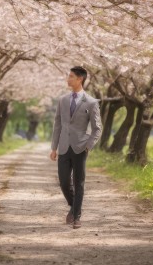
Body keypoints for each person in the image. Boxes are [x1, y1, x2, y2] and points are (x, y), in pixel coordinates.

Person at [50, 66, 102, 229]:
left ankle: (76, 216)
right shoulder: (63, 100)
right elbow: (57, 124)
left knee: (79, 182)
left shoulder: (92, 102)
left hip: (81, 147)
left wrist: (89, 146)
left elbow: (97, 128)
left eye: (71, 76)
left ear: (80, 79)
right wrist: (54, 147)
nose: (68, 79)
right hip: (64, 147)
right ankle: (74, 207)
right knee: (64, 182)